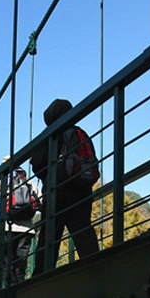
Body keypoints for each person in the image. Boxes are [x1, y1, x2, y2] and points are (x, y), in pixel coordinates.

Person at [30, 98, 99, 274]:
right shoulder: (81, 133)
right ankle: (96, 269)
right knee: (83, 231)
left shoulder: (50, 135)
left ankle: (41, 277)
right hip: (82, 191)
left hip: (57, 193)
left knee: (49, 237)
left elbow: (37, 165)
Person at [0, 159, 42, 286]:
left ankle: (9, 290)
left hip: (7, 227)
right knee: (21, 263)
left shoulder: (4, 180)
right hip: (26, 230)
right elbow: (42, 201)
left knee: (5, 263)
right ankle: (21, 289)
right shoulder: (29, 182)